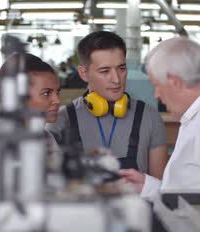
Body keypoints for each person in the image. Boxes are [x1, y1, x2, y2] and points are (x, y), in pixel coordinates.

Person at [119, 37, 200, 202]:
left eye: (157, 85)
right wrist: (147, 186)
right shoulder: (198, 118)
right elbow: (191, 194)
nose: (156, 95)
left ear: (175, 82)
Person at [46, 31, 167, 178]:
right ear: (84, 73)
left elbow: (158, 187)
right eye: (105, 71)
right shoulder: (61, 120)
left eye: (121, 68)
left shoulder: (149, 117)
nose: (116, 79)